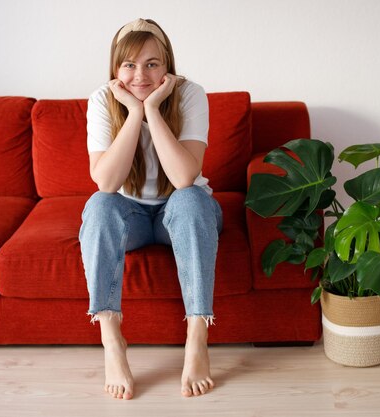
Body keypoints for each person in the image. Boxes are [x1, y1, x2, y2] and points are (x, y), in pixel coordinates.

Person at [79, 18, 223, 400]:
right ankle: (112, 341)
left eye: (152, 63)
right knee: (98, 205)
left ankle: (197, 338)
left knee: (192, 199)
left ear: (168, 66)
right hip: (131, 217)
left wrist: (155, 109)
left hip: (183, 209)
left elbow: (183, 178)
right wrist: (132, 111)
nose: (139, 74)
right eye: (129, 64)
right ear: (115, 69)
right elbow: (106, 183)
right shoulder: (102, 100)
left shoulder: (190, 94)